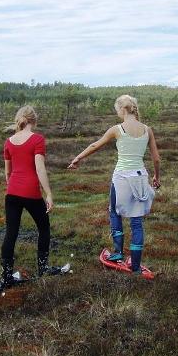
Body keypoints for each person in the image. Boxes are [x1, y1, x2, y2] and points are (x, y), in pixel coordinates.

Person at [68, 94, 160, 274]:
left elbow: (95, 145)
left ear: (122, 109)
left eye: (117, 110)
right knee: (136, 221)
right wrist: (156, 177)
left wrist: (78, 158)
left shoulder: (117, 129)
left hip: (122, 178)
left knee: (113, 212)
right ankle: (135, 266)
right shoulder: (147, 129)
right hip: (141, 177)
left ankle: (118, 253)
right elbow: (156, 158)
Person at [0, 106, 61, 293]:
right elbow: (39, 168)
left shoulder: (8, 141)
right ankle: (43, 268)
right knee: (44, 227)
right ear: (34, 120)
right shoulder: (37, 139)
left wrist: (13, 184)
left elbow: (8, 172)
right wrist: (48, 193)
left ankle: (6, 277)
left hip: (12, 192)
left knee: (11, 233)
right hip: (30, 192)